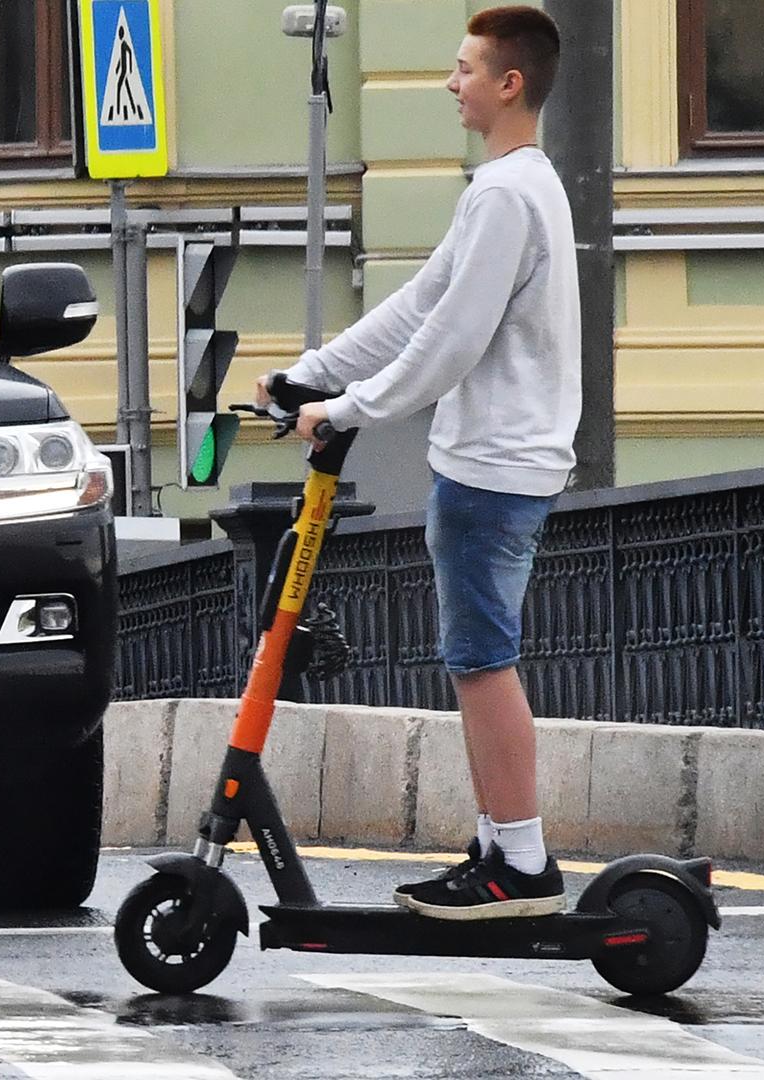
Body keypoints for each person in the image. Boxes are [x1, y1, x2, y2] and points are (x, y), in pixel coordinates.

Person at [258, 6, 578, 920]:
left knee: (483, 662)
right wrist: (310, 375)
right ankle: (498, 846)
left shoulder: (509, 195)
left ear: (509, 84)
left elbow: (450, 342)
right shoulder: (510, 188)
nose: (452, 82)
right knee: (477, 658)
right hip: (496, 458)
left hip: (492, 464)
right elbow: (421, 302)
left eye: (466, 67)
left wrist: (348, 410)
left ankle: (521, 863)